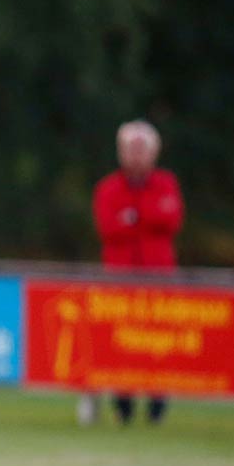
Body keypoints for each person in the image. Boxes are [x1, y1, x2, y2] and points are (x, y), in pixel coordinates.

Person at [89, 119, 184, 425]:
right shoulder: (108, 188)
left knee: (157, 343)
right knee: (121, 341)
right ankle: (123, 405)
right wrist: (146, 217)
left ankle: (157, 405)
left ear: (154, 153)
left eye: (141, 149)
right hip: (119, 278)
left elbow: (171, 220)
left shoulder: (166, 183)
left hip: (158, 278)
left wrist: (135, 215)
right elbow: (109, 228)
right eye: (130, 149)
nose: (136, 155)